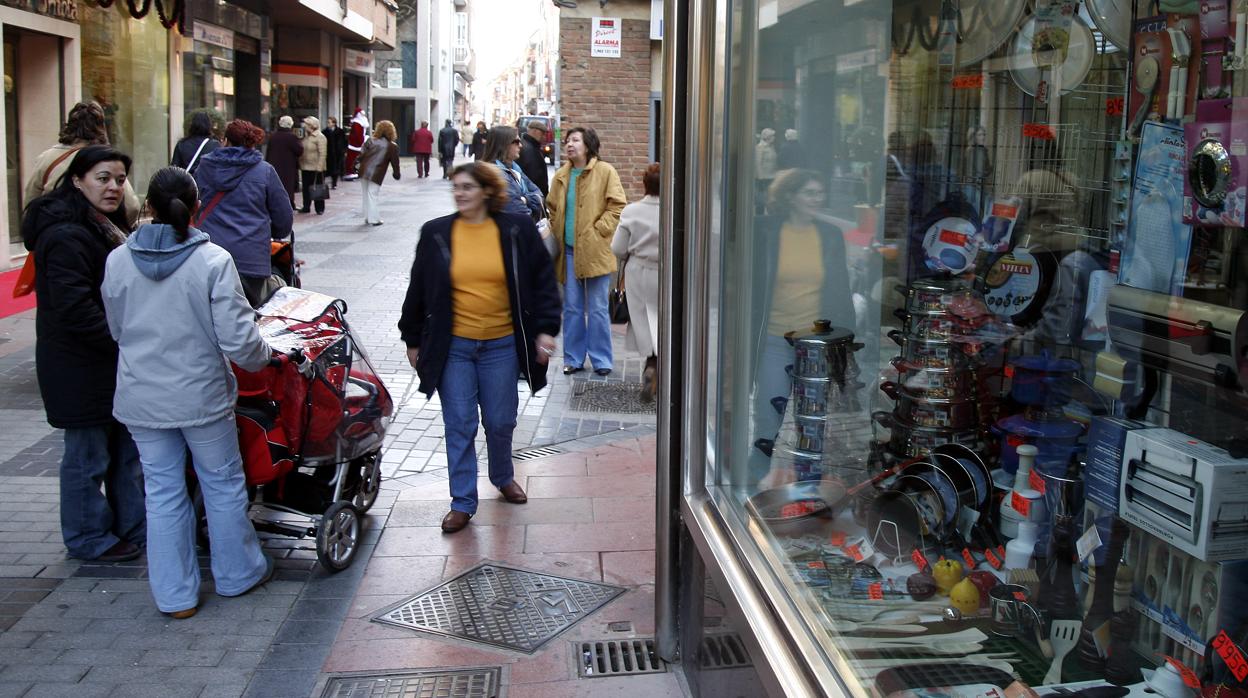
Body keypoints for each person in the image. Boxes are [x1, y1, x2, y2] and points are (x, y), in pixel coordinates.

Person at [102, 167, 274, 619]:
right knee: (221, 484)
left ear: (149, 206)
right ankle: (238, 574)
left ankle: (175, 596)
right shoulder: (212, 260)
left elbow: (116, 327)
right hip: (201, 395)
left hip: (142, 395)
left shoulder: (118, 259)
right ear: (196, 207)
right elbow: (240, 341)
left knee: (160, 491)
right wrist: (266, 356)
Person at [398, 162, 560, 534]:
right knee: (459, 423)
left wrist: (547, 330)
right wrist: (412, 338)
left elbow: (543, 282)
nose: (460, 194)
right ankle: (463, 502)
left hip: (501, 344)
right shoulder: (437, 232)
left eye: (467, 187)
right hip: (453, 346)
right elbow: (418, 288)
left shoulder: (516, 230)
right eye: (456, 187)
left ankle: (502, 476)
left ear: (487, 191)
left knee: (501, 420)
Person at [20, 145, 145, 563]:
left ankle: (131, 526)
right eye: (103, 178)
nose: (113, 187)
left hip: (108, 362)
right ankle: (88, 536)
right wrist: (122, 341)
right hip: (78, 365)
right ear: (77, 180)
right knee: (87, 457)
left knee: (124, 452)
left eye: (119, 179)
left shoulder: (102, 226)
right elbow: (74, 308)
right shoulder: (65, 234)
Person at [751, 169, 855, 488]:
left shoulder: (829, 235)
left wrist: (846, 339)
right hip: (773, 338)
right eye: (809, 193)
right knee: (770, 411)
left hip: (814, 344)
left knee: (813, 417)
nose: (816, 199)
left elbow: (840, 288)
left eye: (819, 193)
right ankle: (761, 479)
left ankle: (806, 482)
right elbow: (749, 284)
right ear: (789, 196)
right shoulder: (765, 230)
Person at [546, 127, 627, 376]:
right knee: (571, 308)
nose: (570, 144)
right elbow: (552, 207)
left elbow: (617, 205)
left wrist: (598, 230)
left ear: (588, 145)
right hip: (568, 253)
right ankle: (573, 357)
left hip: (595, 251)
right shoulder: (561, 174)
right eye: (568, 140)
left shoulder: (605, 171)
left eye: (575, 140)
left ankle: (601, 359)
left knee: (598, 308)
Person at [193, 119, 294, 307]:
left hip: (210, 257)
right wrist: (263, 230)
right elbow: (284, 220)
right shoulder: (264, 172)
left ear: (225, 140)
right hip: (252, 261)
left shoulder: (205, 168)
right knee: (252, 319)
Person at [25, 101, 141, 228]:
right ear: (101, 128)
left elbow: (30, 203)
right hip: (95, 233)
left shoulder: (47, 157)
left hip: (53, 229)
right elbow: (132, 207)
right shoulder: (104, 159)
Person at [610, 163, 662, 403]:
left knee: (644, 321)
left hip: (637, 273)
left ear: (645, 184)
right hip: (666, 273)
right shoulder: (678, 210)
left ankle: (650, 364)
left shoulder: (632, 211)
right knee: (664, 322)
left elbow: (618, 248)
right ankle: (658, 367)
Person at [480, 125, 544, 220]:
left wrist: (525, 199)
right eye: (517, 142)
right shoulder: (495, 174)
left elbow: (539, 195)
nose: (521, 145)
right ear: (504, 144)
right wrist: (531, 201)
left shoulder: (515, 168)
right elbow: (521, 213)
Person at [357, 120, 402, 226]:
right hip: (376, 173)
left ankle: (368, 216)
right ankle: (374, 219)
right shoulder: (392, 146)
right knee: (372, 194)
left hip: (364, 170)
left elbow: (361, 155)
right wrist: (396, 174)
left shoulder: (370, 141)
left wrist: (355, 165)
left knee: (366, 194)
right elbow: (395, 163)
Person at [265, 115, 303, 210]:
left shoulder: (273, 136)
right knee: (288, 186)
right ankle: (289, 204)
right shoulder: (291, 137)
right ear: (290, 125)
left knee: (276, 185)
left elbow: (268, 151)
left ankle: (275, 204)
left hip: (274, 165)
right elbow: (299, 150)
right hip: (288, 166)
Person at [170, 111, 221, 175]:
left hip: (186, 183)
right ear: (209, 126)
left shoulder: (181, 144)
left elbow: (174, 170)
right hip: (206, 184)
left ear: (192, 126)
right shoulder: (214, 145)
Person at [298, 116, 327, 215]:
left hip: (316, 167)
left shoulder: (320, 137)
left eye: (306, 124)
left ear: (312, 125)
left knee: (317, 187)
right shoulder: (306, 136)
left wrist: (320, 166)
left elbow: (323, 153)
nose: (304, 126)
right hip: (305, 166)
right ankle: (306, 206)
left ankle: (319, 208)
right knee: (306, 188)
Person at [517, 120, 550, 197]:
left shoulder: (531, 146)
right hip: (533, 197)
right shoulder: (529, 149)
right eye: (543, 134)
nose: (544, 137)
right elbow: (534, 178)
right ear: (535, 131)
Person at [754, 128, 777, 215]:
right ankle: (760, 216)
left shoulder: (771, 147)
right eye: (772, 136)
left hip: (771, 176)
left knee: (770, 198)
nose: (774, 137)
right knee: (761, 200)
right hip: (763, 178)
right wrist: (760, 177)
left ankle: (770, 215)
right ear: (767, 137)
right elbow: (758, 163)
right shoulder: (760, 147)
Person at [343, 107, 369, 180]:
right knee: (352, 159)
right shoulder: (357, 123)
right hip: (355, 144)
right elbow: (357, 135)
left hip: (357, 144)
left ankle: (352, 171)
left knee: (352, 159)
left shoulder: (358, 123)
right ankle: (350, 172)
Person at [323, 116, 347, 189]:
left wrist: (343, 150)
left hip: (337, 154)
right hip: (328, 153)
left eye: (329, 122)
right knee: (326, 169)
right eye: (327, 122)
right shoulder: (324, 132)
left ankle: (334, 183)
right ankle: (323, 184)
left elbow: (344, 141)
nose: (328, 124)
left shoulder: (340, 131)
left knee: (335, 170)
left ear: (334, 123)